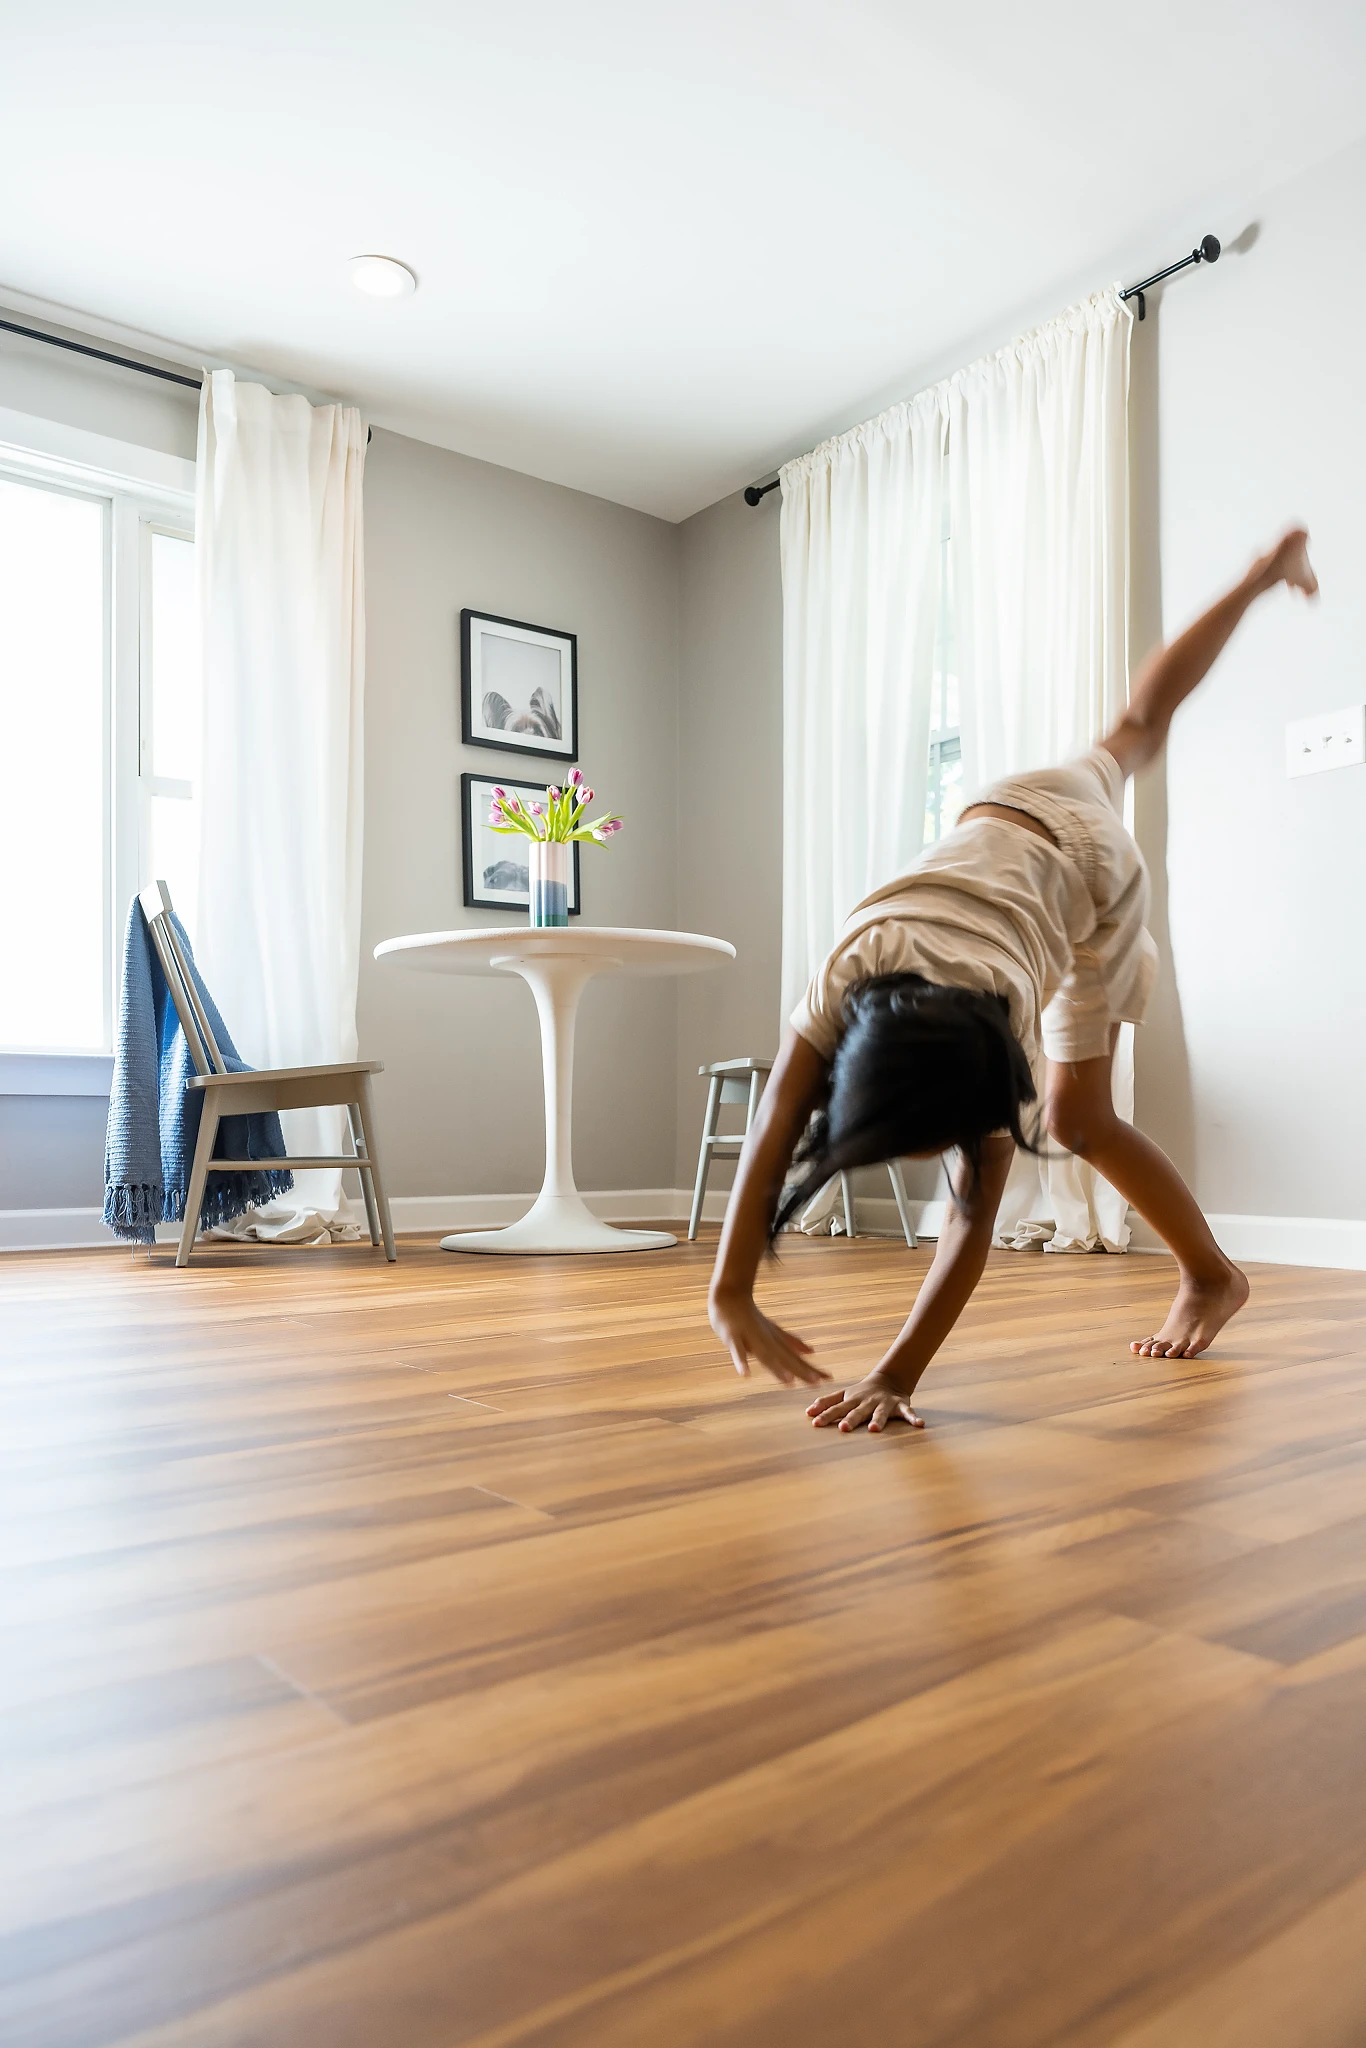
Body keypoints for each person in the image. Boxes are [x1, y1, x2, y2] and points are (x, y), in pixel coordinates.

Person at [708, 529, 1319, 1433]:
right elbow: (774, 1126)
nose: (939, 1163)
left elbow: (969, 1224)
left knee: (1077, 1120)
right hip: (1016, 808)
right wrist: (728, 1290)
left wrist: (894, 1375)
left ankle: (1212, 1275)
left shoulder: (993, 1044)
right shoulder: (851, 971)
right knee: (1139, 727)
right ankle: (1261, 572)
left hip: (1093, 879)